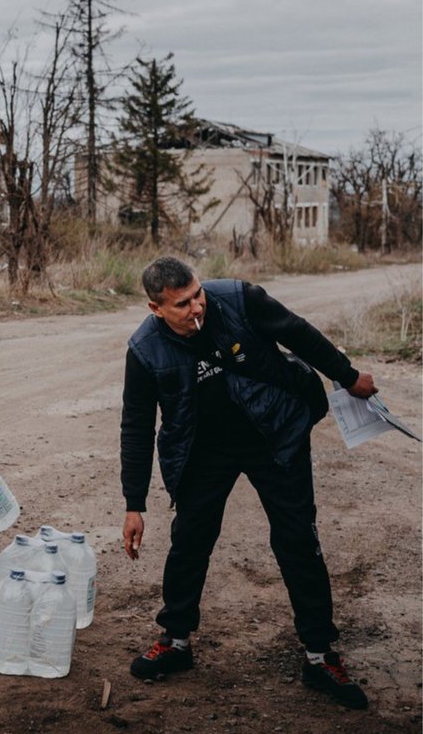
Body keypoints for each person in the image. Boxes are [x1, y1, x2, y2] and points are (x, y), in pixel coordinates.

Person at [120, 256, 376, 710]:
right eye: (183, 304)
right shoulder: (144, 350)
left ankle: (320, 655)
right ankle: (176, 642)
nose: (197, 308)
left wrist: (348, 375)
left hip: (274, 434)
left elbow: (299, 333)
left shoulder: (239, 299)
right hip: (203, 451)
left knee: (298, 539)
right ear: (155, 308)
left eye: (198, 294)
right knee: (190, 542)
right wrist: (133, 503)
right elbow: (137, 426)